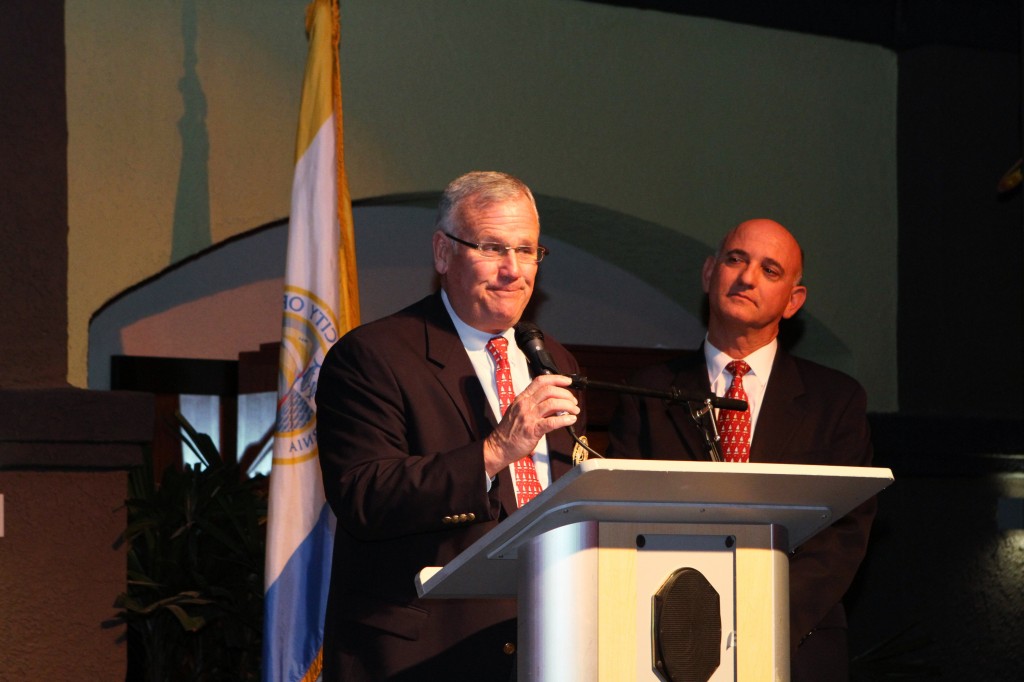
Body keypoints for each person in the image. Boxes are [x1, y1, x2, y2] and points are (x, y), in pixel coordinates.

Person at [315, 171, 585, 681]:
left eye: (527, 251)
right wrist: (495, 449)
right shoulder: (373, 356)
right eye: (492, 248)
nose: (513, 270)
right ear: (443, 253)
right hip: (421, 658)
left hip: (546, 645)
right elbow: (364, 497)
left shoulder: (551, 359)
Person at [608, 218, 875, 682]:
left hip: (798, 640)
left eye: (770, 270)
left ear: (794, 301)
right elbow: (622, 520)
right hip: (668, 642)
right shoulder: (649, 389)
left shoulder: (836, 399)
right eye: (736, 260)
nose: (748, 277)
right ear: (709, 273)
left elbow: (844, 533)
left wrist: (756, 616)